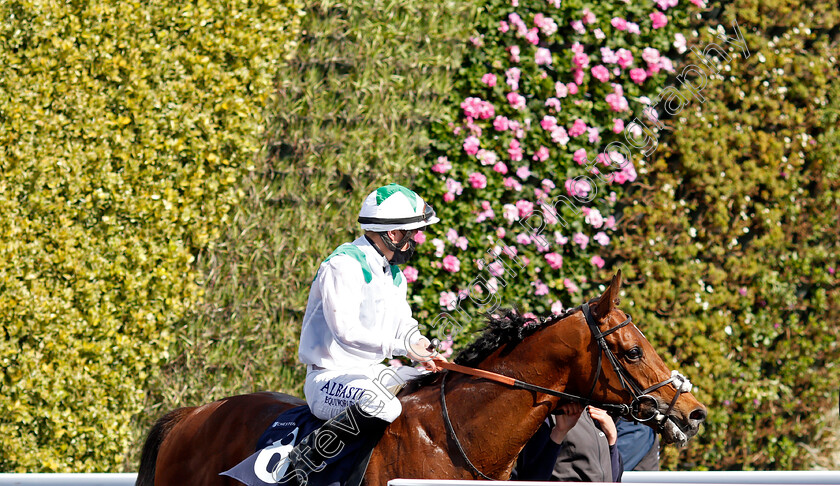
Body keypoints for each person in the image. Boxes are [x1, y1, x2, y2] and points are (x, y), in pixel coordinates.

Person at [289, 183, 447, 476]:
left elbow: (405, 326)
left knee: (435, 385)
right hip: (328, 379)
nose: (415, 242)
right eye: (411, 235)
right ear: (392, 233)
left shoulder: (394, 274)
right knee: (384, 407)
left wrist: (422, 348)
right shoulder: (343, 265)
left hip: (370, 375)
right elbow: (345, 332)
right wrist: (403, 348)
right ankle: (306, 461)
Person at [514, 404, 623, 482]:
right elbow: (531, 480)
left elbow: (613, 480)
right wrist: (559, 432)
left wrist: (612, 438)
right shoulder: (546, 415)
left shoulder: (598, 413)